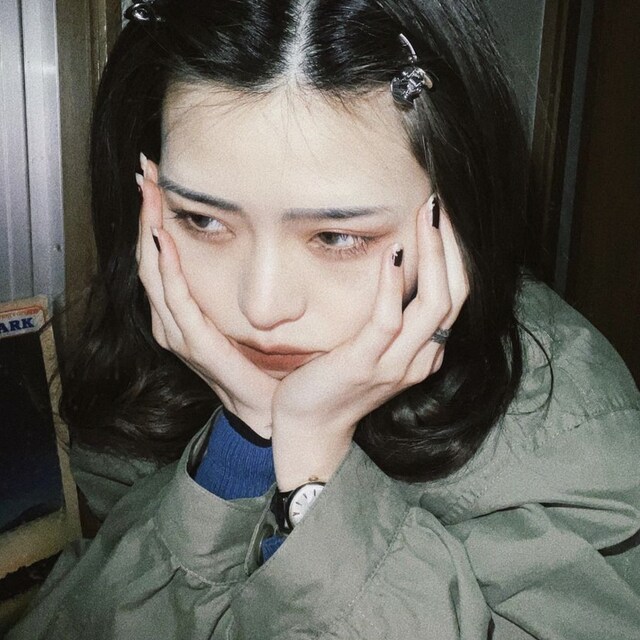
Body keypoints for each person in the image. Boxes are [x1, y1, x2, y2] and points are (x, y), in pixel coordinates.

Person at [8, 0, 640, 638]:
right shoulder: (143, 354)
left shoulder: (569, 428)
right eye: (201, 219)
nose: (260, 309)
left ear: (454, 216)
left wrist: (315, 470)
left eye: (338, 236)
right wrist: (240, 445)